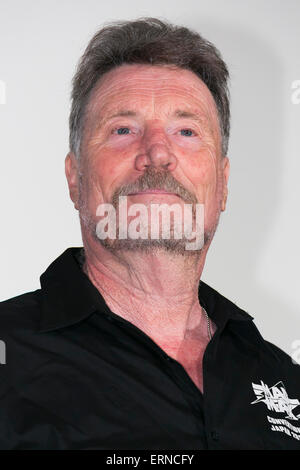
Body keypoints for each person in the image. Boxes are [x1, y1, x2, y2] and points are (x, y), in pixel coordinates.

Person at [0, 17, 299, 451]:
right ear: (75, 178)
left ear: (223, 183)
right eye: (123, 130)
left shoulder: (282, 378)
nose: (157, 154)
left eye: (186, 132)